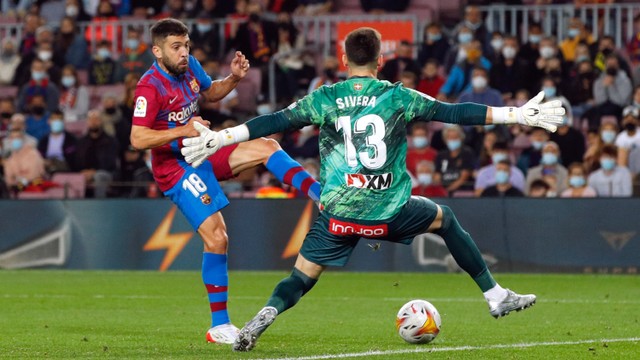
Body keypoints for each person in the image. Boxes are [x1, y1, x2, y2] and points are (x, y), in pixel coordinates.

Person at [179, 27, 564, 352]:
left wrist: (223, 136)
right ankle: (494, 295)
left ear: (344, 61)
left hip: (338, 215)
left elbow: (275, 121)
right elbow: (454, 112)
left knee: (300, 277)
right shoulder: (397, 96)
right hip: (390, 211)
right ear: (380, 61)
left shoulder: (325, 98)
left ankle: (268, 311)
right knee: (445, 219)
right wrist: (516, 114)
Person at [128, 18, 322, 345]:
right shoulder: (150, 86)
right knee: (217, 238)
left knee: (266, 146)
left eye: (186, 45)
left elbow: (212, 92)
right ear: (157, 51)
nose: (184, 53)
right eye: (176, 47)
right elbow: (137, 138)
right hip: (176, 167)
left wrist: (233, 78)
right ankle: (219, 325)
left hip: (202, 149)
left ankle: (322, 197)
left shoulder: (189, 68)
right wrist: (183, 129)